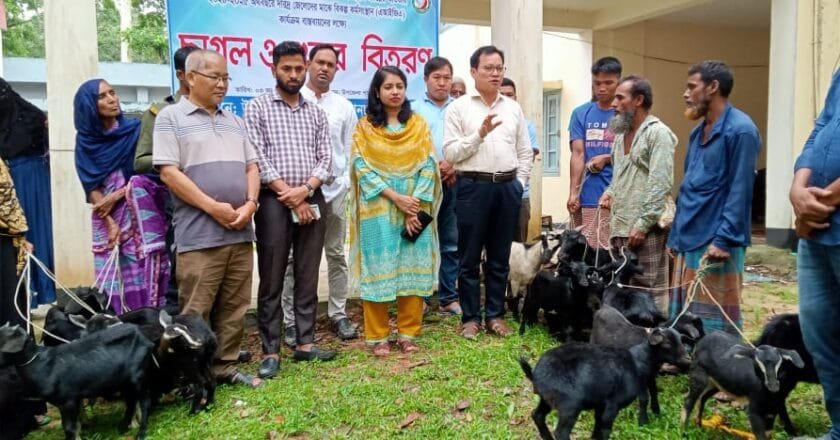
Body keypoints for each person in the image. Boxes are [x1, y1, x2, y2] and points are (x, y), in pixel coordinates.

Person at [153, 50, 262, 388]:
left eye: (226, 78)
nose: (222, 83)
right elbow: (169, 173)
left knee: (235, 305)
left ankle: (225, 366)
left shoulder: (234, 120)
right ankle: (190, 376)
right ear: (189, 77)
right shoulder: (171, 118)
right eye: (215, 76)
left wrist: (251, 204)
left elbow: (252, 167)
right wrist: (213, 207)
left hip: (240, 231)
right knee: (196, 309)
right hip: (199, 234)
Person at [245, 41, 335, 380]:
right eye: (287, 68)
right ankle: (270, 349)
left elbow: (325, 158)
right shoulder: (257, 108)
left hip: (312, 197)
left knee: (308, 273)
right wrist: (290, 194)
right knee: (271, 277)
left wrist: (307, 190)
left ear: (307, 68)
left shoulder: (316, 112)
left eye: (299, 68)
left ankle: (305, 343)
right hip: (272, 202)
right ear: (274, 69)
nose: (294, 74)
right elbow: (257, 156)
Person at [348, 65, 441, 356]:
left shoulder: (418, 126)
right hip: (378, 207)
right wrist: (395, 197)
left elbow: (429, 164)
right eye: (388, 86)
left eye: (400, 86)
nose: (395, 91)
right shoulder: (365, 128)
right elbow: (360, 167)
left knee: (412, 270)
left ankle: (408, 334)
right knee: (379, 269)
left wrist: (413, 204)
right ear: (377, 92)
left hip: (415, 206)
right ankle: (378, 337)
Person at [443, 46, 532, 339]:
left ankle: (495, 315)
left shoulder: (513, 108)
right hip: (472, 187)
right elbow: (452, 153)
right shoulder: (459, 108)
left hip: (506, 188)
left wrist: (518, 182)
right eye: (488, 68)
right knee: (468, 258)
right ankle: (470, 318)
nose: (495, 74)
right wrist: (479, 134)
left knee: (499, 256)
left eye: (499, 68)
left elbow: (524, 151)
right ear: (473, 72)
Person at [668, 60, 761, 335]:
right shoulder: (698, 132)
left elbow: (741, 189)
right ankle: (684, 356)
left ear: (713, 87)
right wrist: (676, 234)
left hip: (716, 237)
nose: (686, 94)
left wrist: (724, 238)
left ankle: (720, 367)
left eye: (691, 87)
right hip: (690, 233)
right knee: (685, 309)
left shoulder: (741, 130)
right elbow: (688, 187)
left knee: (714, 315)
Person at [279, 43, 359, 344]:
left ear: (337, 70)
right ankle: (291, 320)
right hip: (298, 194)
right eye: (319, 62)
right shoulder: (294, 101)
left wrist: (347, 186)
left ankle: (338, 313)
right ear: (308, 65)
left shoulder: (344, 107)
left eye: (331, 64)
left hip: (334, 191)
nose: (324, 68)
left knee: (336, 254)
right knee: (292, 258)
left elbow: (350, 149)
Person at [73, 78, 170, 313]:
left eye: (113, 92)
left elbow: (150, 174)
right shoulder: (85, 142)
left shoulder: (134, 131)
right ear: (88, 105)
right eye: (103, 96)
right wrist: (109, 221)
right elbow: (91, 185)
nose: (112, 99)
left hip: (138, 212)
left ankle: (146, 320)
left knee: (143, 268)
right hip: (104, 217)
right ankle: (117, 326)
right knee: (112, 274)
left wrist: (116, 196)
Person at [789, 67, 840, 440]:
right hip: (818, 231)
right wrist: (798, 187)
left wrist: (825, 200)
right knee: (821, 334)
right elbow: (822, 126)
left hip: (824, 213)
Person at [598, 75, 676, 313]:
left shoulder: (658, 134)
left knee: (648, 289)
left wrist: (643, 224)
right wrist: (609, 193)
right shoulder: (620, 136)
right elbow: (620, 174)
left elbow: (660, 182)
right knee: (623, 285)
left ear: (638, 100)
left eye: (620, 98)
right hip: (620, 226)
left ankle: (653, 341)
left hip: (646, 229)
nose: (613, 103)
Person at [134, 45, 199, 316]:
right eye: (201, 71)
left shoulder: (220, 114)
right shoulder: (160, 112)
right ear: (183, 75)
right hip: (179, 204)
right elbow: (140, 161)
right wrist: (174, 159)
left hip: (218, 203)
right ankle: (178, 335)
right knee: (181, 270)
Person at [412, 56, 461, 316]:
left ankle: (448, 297)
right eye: (436, 78)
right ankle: (418, 297)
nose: (442, 83)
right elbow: (411, 147)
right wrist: (435, 168)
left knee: (451, 242)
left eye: (446, 78)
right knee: (418, 240)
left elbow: (468, 143)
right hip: (422, 185)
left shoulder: (461, 107)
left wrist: (453, 166)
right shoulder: (414, 109)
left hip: (454, 181)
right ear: (426, 80)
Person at [0, 78, 55, 308]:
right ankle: (21, 292)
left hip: (32, 180)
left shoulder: (32, 119)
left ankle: (41, 288)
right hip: (5, 186)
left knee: (36, 234)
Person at [567, 57, 621, 248]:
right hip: (589, 195)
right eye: (597, 83)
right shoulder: (581, 113)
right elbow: (578, 154)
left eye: (608, 83)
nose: (602, 88)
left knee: (615, 254)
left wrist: (608, 158)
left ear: (619, 83)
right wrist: (573, 193)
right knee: (589, 252)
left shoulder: (626, 115)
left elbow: (636, 154)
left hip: (620, 197)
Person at [499, 77, 541, 243]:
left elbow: (527, 156)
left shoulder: (527, 125)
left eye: (510, 95)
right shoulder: (486, 123)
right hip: (490, 194)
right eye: (502, 94)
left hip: (519, 194)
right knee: (492, 246)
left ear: (516, 98)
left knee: (517, 245)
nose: (506, 98)